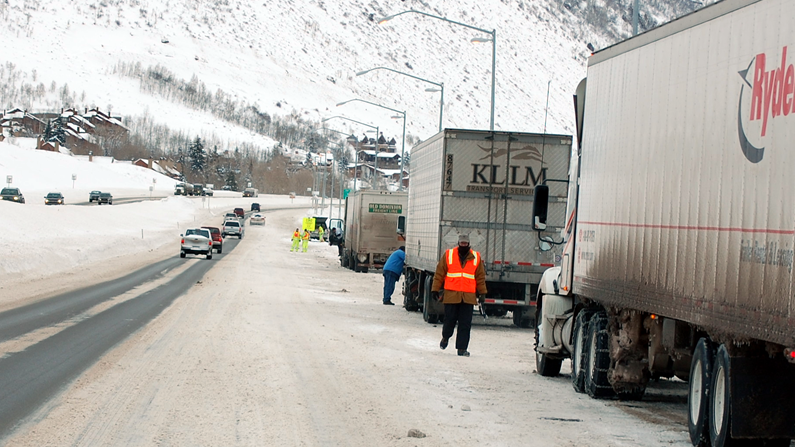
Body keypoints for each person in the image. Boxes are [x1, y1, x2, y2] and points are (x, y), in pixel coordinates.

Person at [431, 234, 487, 357]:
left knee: (465, 324)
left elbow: (480, 277)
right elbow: (439, 273)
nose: (463, 245)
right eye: (461, 243)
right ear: (458, 243)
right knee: (449, 321)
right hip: (451, 295)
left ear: (468, 244)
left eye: (465, 244)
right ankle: (445, 337)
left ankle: (462, 348)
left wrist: (482, 293)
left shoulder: (476, 257)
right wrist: (435, 289)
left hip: (468, 297)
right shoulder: (449, 255)